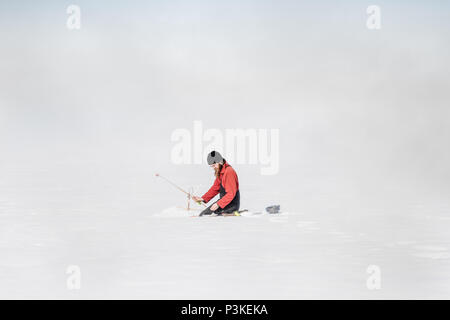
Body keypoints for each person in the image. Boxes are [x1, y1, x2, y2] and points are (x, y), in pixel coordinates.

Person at [193, 151, 240, 216]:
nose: (213, 167)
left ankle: (233, 213)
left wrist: (218, 204)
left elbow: (231, 193)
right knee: (203, 214)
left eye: (214, 165)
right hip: (224, 203)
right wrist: (203, 198)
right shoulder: (221, 172)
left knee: (206, 215)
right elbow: (215, 188)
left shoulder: (229, 172)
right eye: (211, 166)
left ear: (220, 162)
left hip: (231, 205)